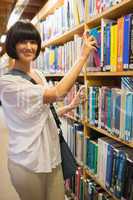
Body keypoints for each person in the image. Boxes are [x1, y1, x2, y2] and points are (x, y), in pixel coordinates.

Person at [0, 20, 97, 200]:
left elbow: (43, 115)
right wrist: (82, 56)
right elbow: (58, 92)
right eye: (23, 41)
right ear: (12, 45)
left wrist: (70, 106)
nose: (29, 47)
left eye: (33, 41)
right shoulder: (8, 83)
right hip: (28, 162)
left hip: (52, 156)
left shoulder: (39, 75)